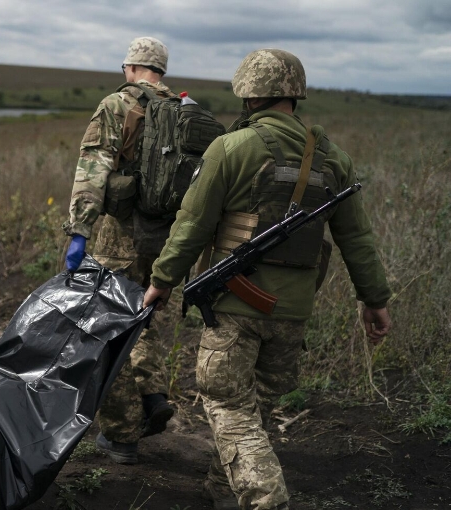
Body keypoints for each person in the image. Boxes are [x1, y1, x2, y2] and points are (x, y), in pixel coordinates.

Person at [142, 49, 392, 509]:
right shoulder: (335, 159)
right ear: (295, 95)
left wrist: (161, 281)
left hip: (236, 310)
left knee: (228, 406)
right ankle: (222, 490)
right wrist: (374, 300)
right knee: (251, 410)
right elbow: (357, 238)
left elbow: (192, 225)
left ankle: (266, 500)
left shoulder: (232, 147)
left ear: (247, 94)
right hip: (293, 313)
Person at [62, 36, 177, 464]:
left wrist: (79, 232)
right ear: (161, 70)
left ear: (129, 67)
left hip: (120, 238)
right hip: (167, 242)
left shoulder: (116, 105)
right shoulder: (184, 111)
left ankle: (122, 432)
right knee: (141, 320)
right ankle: (151, 394)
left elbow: (93, 168)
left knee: (103, 327)